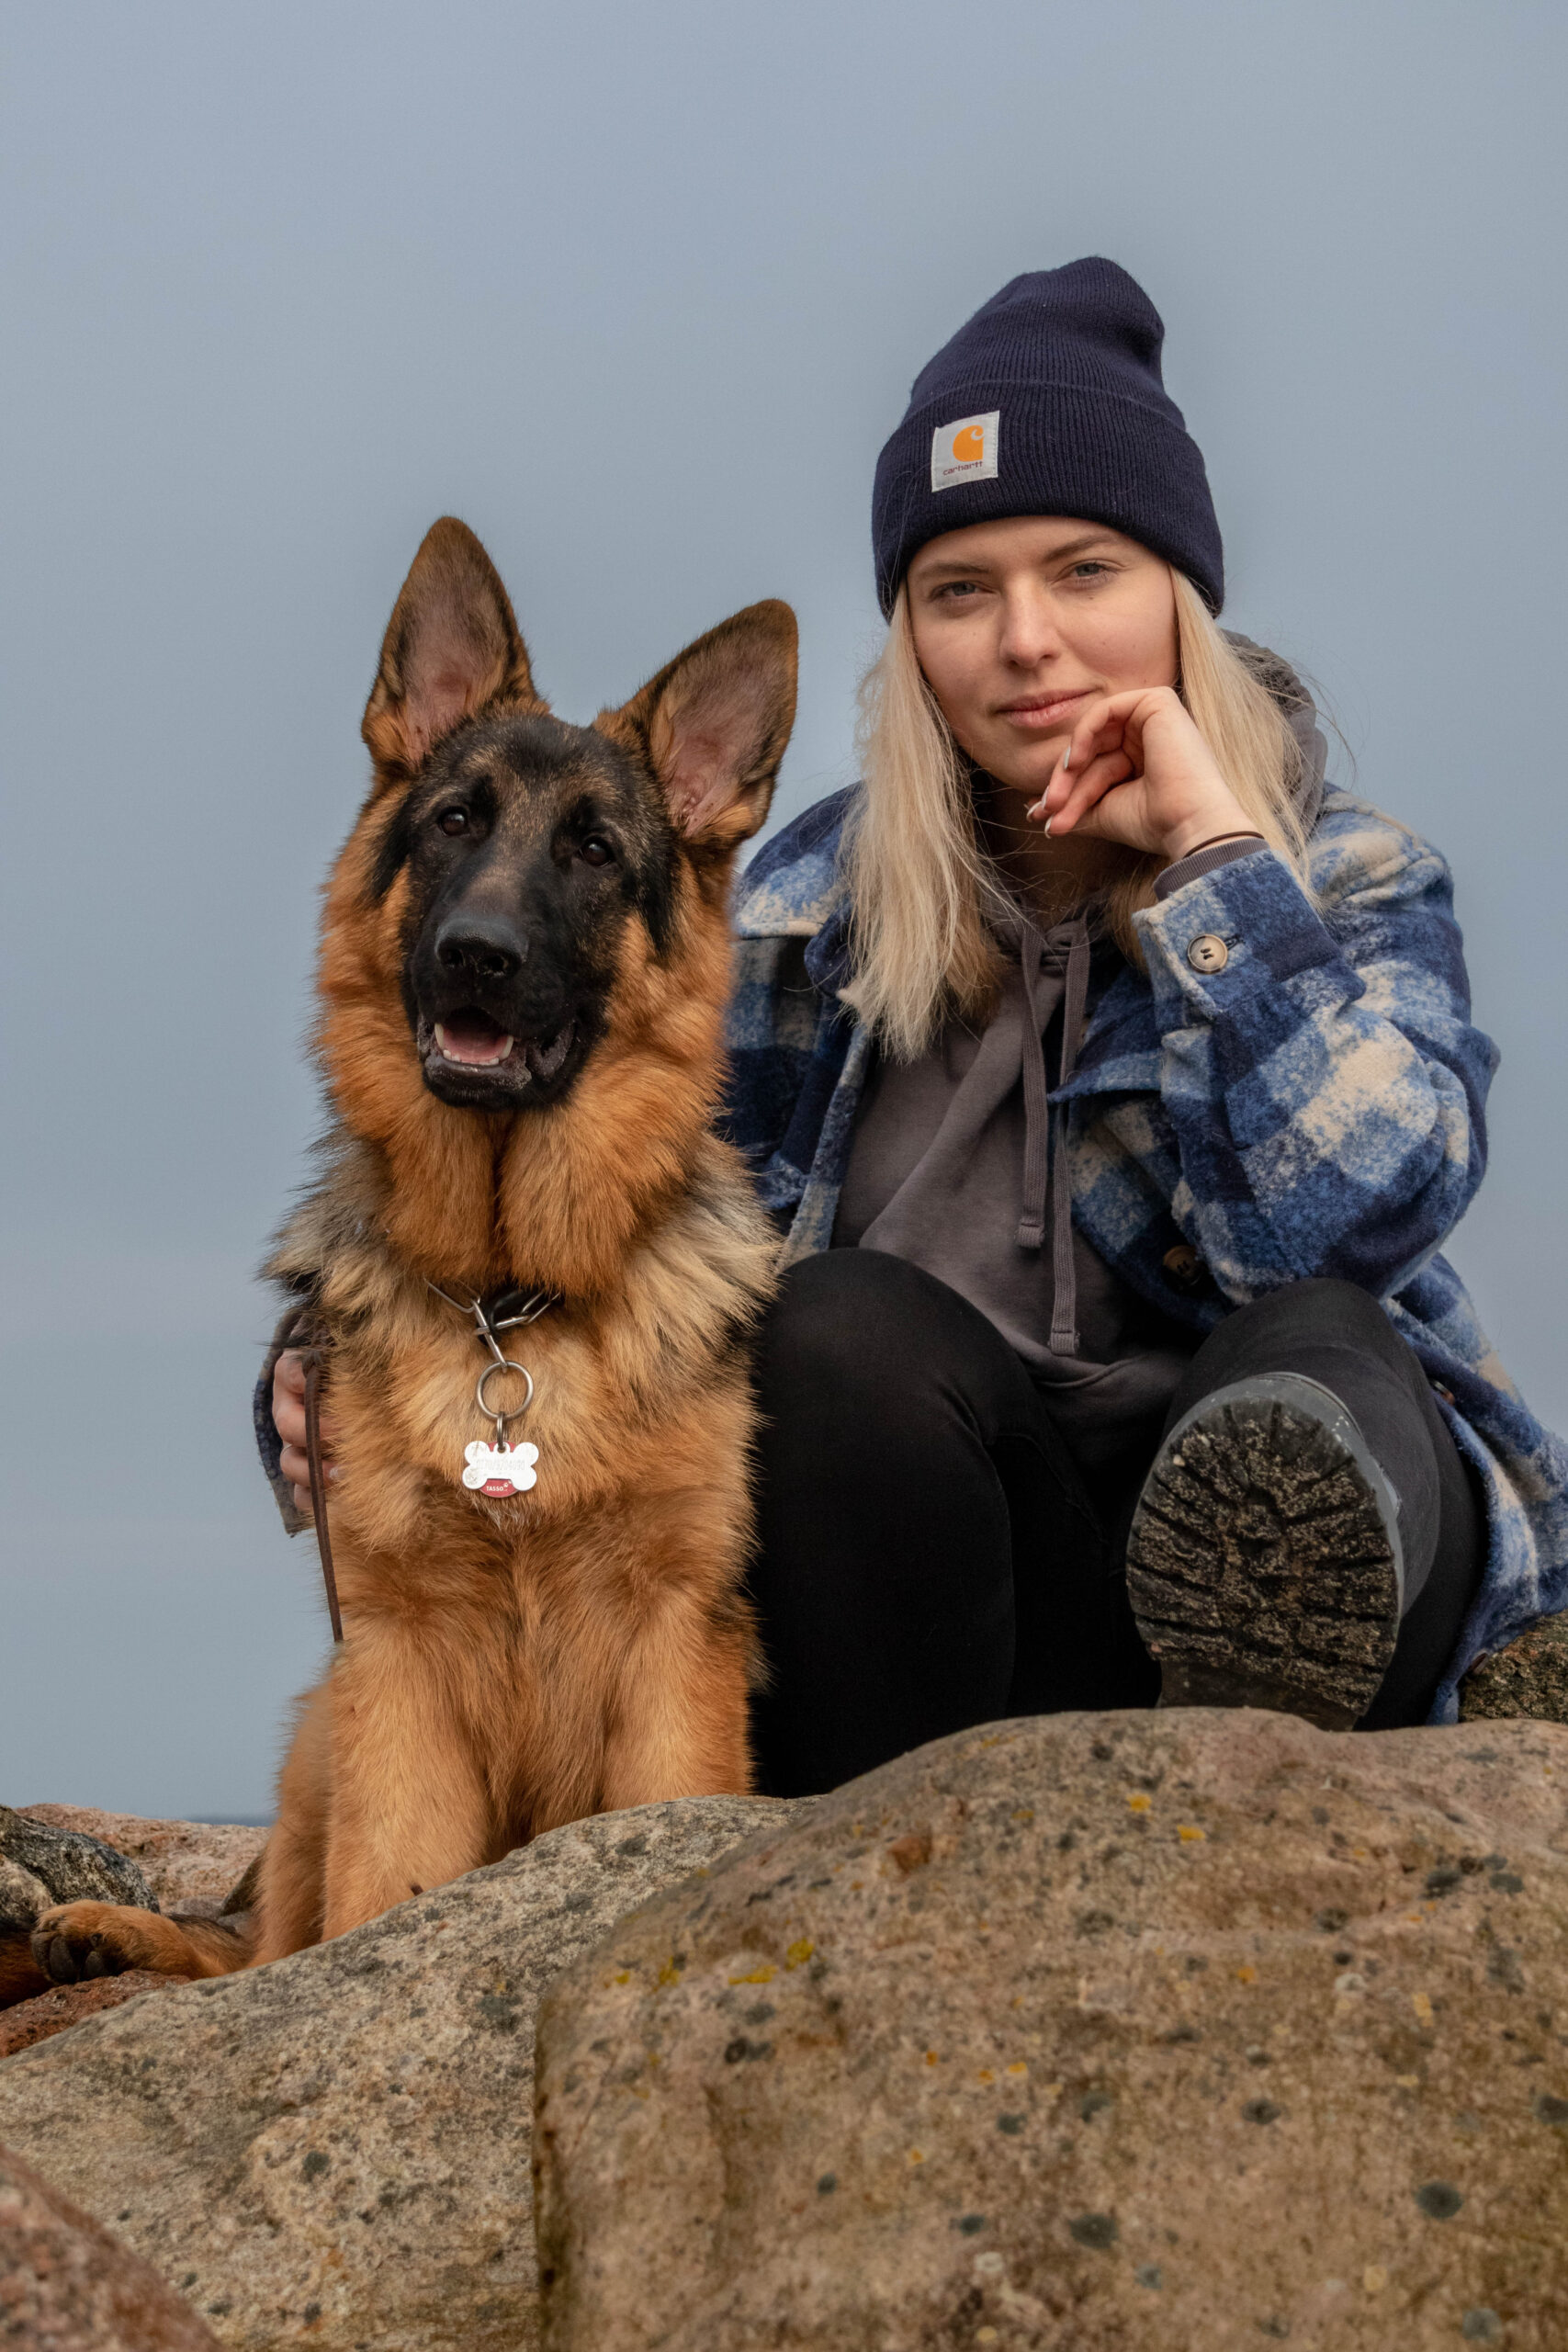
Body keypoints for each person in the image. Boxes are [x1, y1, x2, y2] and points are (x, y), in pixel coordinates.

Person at [266, 258, 1568, 1800]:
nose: (1026, 640)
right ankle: (933, 1825)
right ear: (910, 636)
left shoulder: (1348, 876)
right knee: (832, 1332)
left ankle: (1243, 1717)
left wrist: (1215, 867)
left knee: (1324, 1351)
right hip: (939, 1593)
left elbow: (1367, 1216)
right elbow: (593, 1236)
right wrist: (345, 1360)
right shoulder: (796, 908)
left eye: (1084, 571)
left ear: (1180, 596)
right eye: (962, 591)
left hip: (1275, 1559)